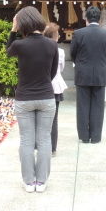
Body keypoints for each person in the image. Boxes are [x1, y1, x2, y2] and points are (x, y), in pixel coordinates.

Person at [6, 6, 58, 193]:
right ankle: (41, 182)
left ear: (22, 24)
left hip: (24, 98)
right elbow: (52, 73)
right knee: (44, 139)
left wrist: (12, 30)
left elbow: (8, 51)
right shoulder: (52, 45)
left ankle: (29, 182)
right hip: (46, 96)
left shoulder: (20, 45)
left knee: (26, 140)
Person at [70, 5, 106, 143]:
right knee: (98, 106)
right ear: (100, 19)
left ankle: (84, 136)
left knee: (82, 106)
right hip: (100, 73)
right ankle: (96, 137)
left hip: (83, 73)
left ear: (86, 19)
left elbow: (73, 54)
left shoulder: (78, 33)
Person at [43, 22, 67, 156]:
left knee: (40, 118)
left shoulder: (39, 49)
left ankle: (39, 145)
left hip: (42, 85)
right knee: (54, 118)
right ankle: (52, 148)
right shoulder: (60, 51)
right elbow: (61, 68)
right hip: (55, 85)